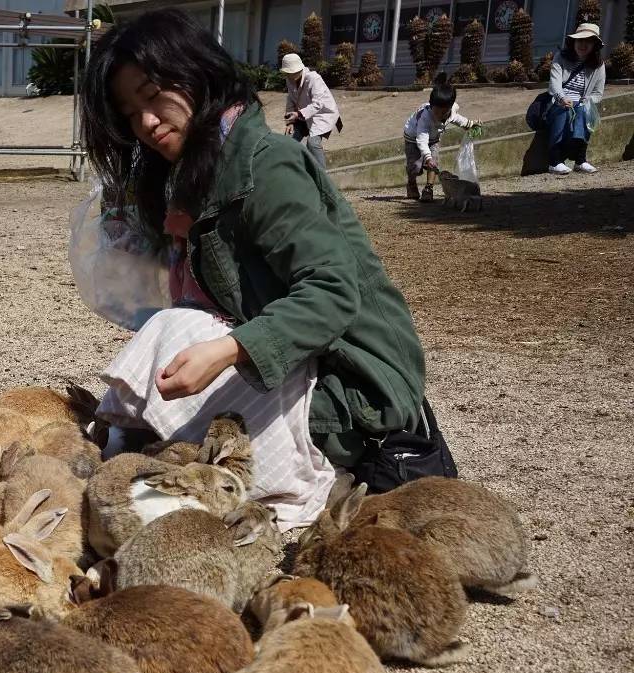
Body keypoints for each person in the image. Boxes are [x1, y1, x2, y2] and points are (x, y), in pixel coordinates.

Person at [79, 9, 432, 525]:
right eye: (130, 113)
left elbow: (333, 291)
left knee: (179, 332)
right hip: (294, 368)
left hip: (353, 387)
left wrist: (228, 350)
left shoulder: (268, 166)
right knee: (177, 358)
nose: (147, 123)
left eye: (153, 96)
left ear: (198, 74)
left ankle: (139, 460)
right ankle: (131, 462)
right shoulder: (193, 173)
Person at [402, 73, 479, 201]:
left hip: (434, 138)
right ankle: (411, 183)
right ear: (431, 106)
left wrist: (471, 124)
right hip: (413, 138)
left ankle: (428, 189)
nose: (439, 115)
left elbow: (459, 120)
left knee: (434, 163)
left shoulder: (451, 113)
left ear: (449, 108)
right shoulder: (425, 117)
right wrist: (426, 157)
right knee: (415, 167)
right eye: (436, 111)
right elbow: (421, 139)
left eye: (443, 112)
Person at [545, 22, 606, 175]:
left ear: (594, 45)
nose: (583, 44)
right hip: (557, 102)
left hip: (580, 104)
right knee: (562, 110)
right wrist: (561, 98)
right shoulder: (560, 57)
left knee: (584, 110)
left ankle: (580, 160)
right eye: (580, 40)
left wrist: (586, 101)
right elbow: (554, 85)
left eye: (588, 41)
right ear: (573, 42)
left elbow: (598, 94)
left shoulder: (598, 66)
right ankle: (554, 161)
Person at [280, 53, 339, 170]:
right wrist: (290, 122)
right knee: (289, 140)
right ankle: (293, 169)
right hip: (302, 115)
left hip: (322, 115)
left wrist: (298, 114)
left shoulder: (314, 78)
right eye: (289, 73)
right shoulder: (289, 80)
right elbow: (291, 99)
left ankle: (322, 175)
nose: (291, 75)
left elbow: (318, 104)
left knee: (312, 143)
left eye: (293, 72)